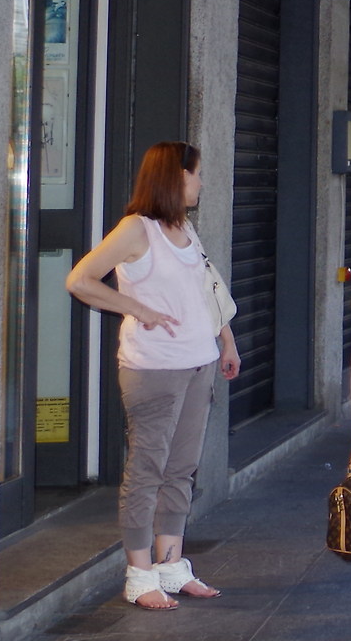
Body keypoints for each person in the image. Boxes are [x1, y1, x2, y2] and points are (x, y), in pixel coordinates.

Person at [64, 141, 238, 609]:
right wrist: (137, 308)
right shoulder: (135, 230)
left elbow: (207, 287)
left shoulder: (183, 227)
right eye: (196, 174)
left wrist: (226, 340)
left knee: (181, 470)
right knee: (148, 470)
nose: (201, 182)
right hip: (154, 370)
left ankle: (172, 566)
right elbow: (79, 280)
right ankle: (140, 575)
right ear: (175, 176)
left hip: (198, 364)